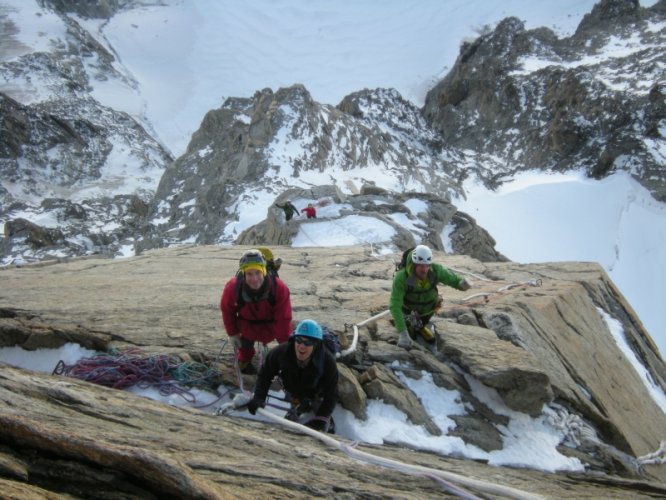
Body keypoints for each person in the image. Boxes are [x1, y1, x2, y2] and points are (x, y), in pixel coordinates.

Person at [246, 319, 339, 433]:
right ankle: (298, 406)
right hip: (293, 387)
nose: (301, 346)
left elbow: (332, 393)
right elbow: (265, 374)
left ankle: (319, 413)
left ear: (316, 345)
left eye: (307, 342)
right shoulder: (281, 352)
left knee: (318, 407)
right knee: (296, 398)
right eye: (298, 340)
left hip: (316, 390)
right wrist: (259, 396)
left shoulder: (327, 361)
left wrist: (321, 419)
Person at [220, 249, 293, 374]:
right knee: (245, 345)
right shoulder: (233, 288)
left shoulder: (279, 288)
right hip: (247, 328)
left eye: (258, 272)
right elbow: (227, 310)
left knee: (286, 347)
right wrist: (232, 333)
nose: (254, 279)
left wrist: (285, 348)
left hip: (271, 327)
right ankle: (244, 361)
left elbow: (283, 320)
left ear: (264, 271)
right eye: (249, 273)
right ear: (243, 274)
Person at [390, 244, 471, 349]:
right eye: (421, 266)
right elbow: (395, 305)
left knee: (425, 318)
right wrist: (402, 332)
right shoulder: (402, 277)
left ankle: (420, 327)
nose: (424, 270)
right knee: (408, 321)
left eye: (427, 265)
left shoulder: (435, 270)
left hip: (428, 307)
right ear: (414, 264)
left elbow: (451, 278)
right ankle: (408, 328)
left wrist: (461, 283)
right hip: (408, 308)